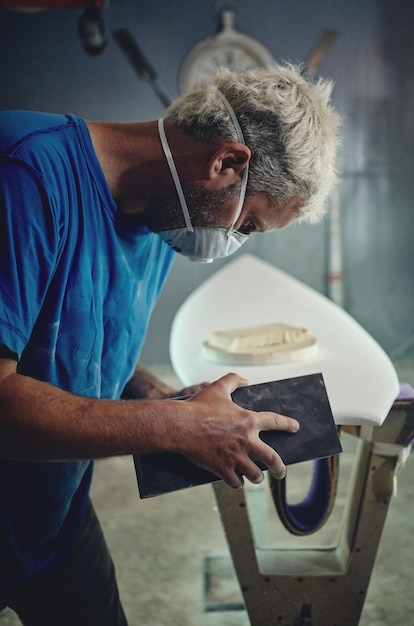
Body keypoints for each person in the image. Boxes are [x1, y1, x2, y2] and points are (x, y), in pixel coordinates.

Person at [0, 62, 340, 625]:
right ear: (225, 162)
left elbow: (76, 337)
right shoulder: (25, 174)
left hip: (50, 517)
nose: (235, 241)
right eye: (247, 226)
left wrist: (159, 399)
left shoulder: (163, 216)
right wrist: (179, 427)